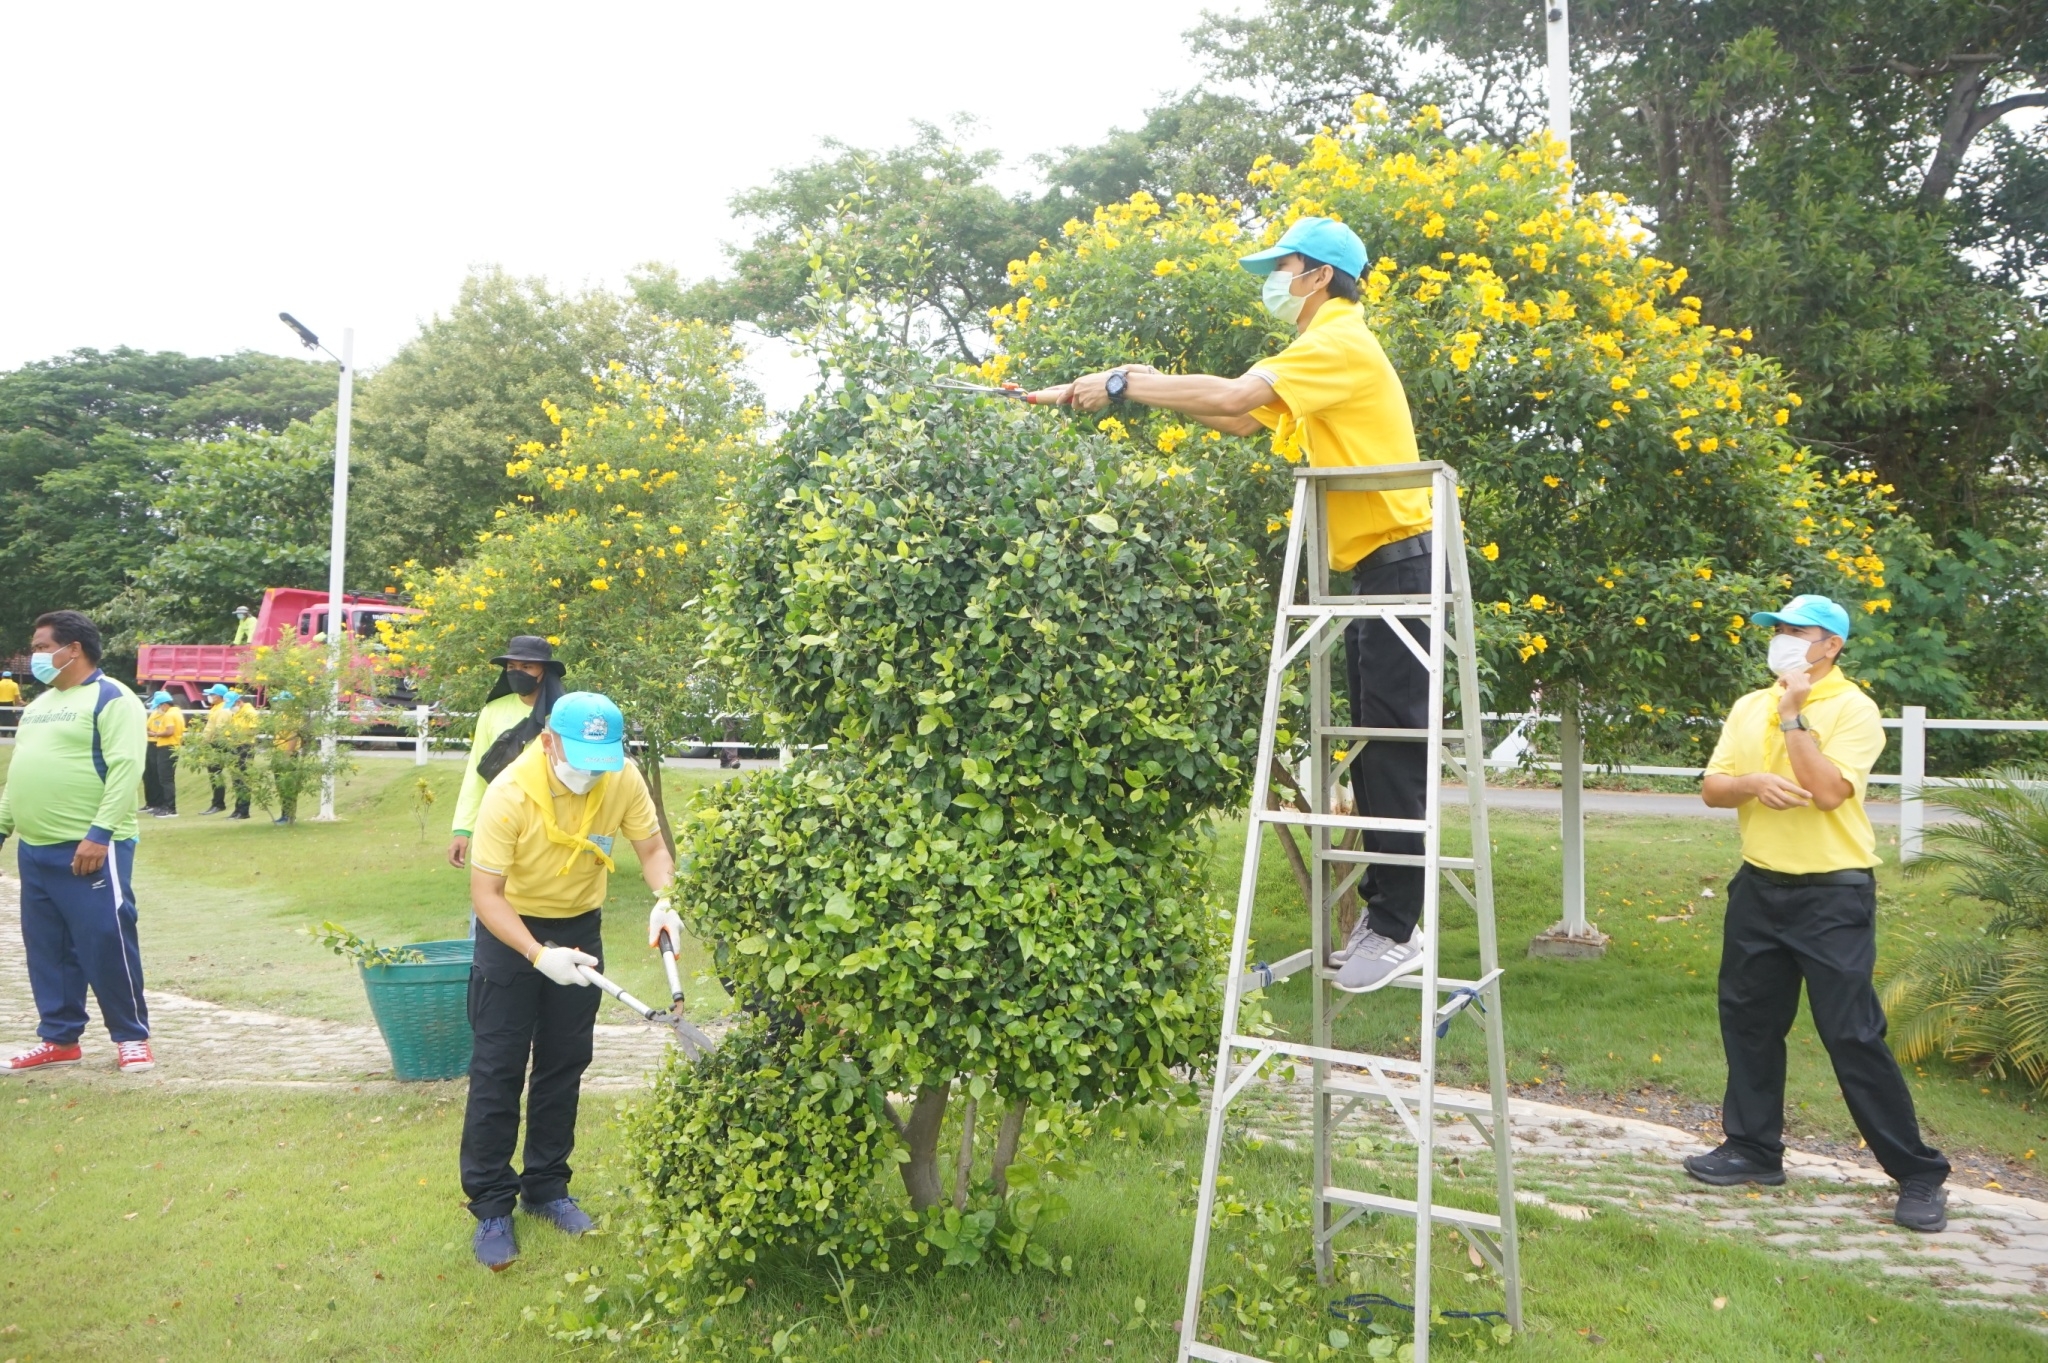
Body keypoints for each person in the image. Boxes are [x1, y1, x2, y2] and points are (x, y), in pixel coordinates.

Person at [1028, 216, 1432, 993]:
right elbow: (1242, 416)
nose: (1271, 283)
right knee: (1373, 744)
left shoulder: (1337, 341)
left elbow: (1239, 391)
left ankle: (1395, 927)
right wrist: (1124, 391)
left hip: (1400, 560)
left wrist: (1125, 380)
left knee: (1392, 745)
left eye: (1280, 268)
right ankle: (1385, 920)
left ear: (1318, 275)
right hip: (1375, 567)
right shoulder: (1322, 348)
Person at [1689, 594, 1951, 1232]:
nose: (1780, 639)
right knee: (1749, 1023)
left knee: (1851, 1034)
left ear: (1830, 645)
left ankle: (1918, 1174)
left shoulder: (1854, 709)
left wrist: (1793, 718)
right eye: (1775, 630)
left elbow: (1831, 794)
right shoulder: (1748, 704)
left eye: (1794, 631)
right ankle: (1753, 1150)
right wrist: (1751, 784)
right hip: (1758, 889)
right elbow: (1712, 788)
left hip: (1832, 895)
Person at [461, 691, 677, 1269]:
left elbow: (652, 847)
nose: (589, 772)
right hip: (513, 930)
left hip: (580, 924)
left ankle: (547, 1189)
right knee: (498, 1068)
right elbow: (486, 895)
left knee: (564, 1062)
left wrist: (667, 898)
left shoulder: (622, 776)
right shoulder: (510, 792)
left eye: (599, 759)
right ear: (550, 740)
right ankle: (491, 1207)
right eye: (578, 757)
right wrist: (537, 954)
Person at [0, 611, 155, 1074]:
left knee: (105, 940)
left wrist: (99, 834)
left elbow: (127, 768)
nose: (36, 656)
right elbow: (19, 774)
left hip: (90, 849)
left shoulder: (113, 699)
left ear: (74, 649)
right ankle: (59, 1038)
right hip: (36, 849)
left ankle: (131, 1037)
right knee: (47, 947)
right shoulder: (41, 704)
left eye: (43, 646)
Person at [449, 636, 567, 870]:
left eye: (526, 667)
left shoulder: (565, 713)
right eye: (511, 667)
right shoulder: (493, 710)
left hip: (552, 821)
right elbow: (477, 771)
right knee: (491, 887)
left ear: (544, 671)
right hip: (500, 815)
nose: (517, 672)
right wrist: (462, 829)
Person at [199, 683, 258, 820]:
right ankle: (238, 810)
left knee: (242, 779)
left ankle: (243, 811)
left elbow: (252, 730)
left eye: (232, 705)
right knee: (236, 779)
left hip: (245, 747)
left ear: (239, 702)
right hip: (234, 746)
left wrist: (232, 734)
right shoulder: (236, 713)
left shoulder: (250, 713)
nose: (231, 708)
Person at [143, 691, 185, 817]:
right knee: (165, 779)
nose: (159, 708)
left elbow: (169, 731)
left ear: (164, 704)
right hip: (171, 746)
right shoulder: (176, 712)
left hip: (167, 746)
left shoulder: (169, 715)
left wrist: (155, 734)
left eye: (160, 706)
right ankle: (166, 806)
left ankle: (170, 808)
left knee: (165, 779)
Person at [0, 669, 22, 736]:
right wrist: (20, 703)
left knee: (2, 719)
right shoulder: (14, 685)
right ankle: (13, 734)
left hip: (0, 705)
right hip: (10, 705)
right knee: (11, 719)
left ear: (2, 677)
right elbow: (17, 698)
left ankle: (3, 733)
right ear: (11, 677)